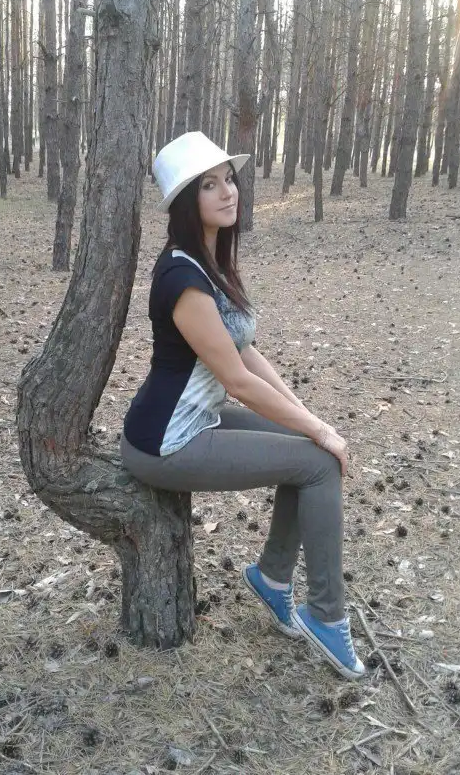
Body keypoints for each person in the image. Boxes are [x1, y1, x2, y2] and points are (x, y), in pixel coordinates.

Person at [120, 131, 364, 680]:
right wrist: (320, 433)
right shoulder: (183, 278)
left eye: (228, 179)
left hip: (192, 420)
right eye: (209, 185)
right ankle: (327, 617)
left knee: (308, 446)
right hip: (166, 442)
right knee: (319, 462)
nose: (228, 191)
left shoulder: (209, 260)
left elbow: (246, 351)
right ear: (187, 202)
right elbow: (236, 380)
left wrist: (312, 420)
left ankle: (272, 578)